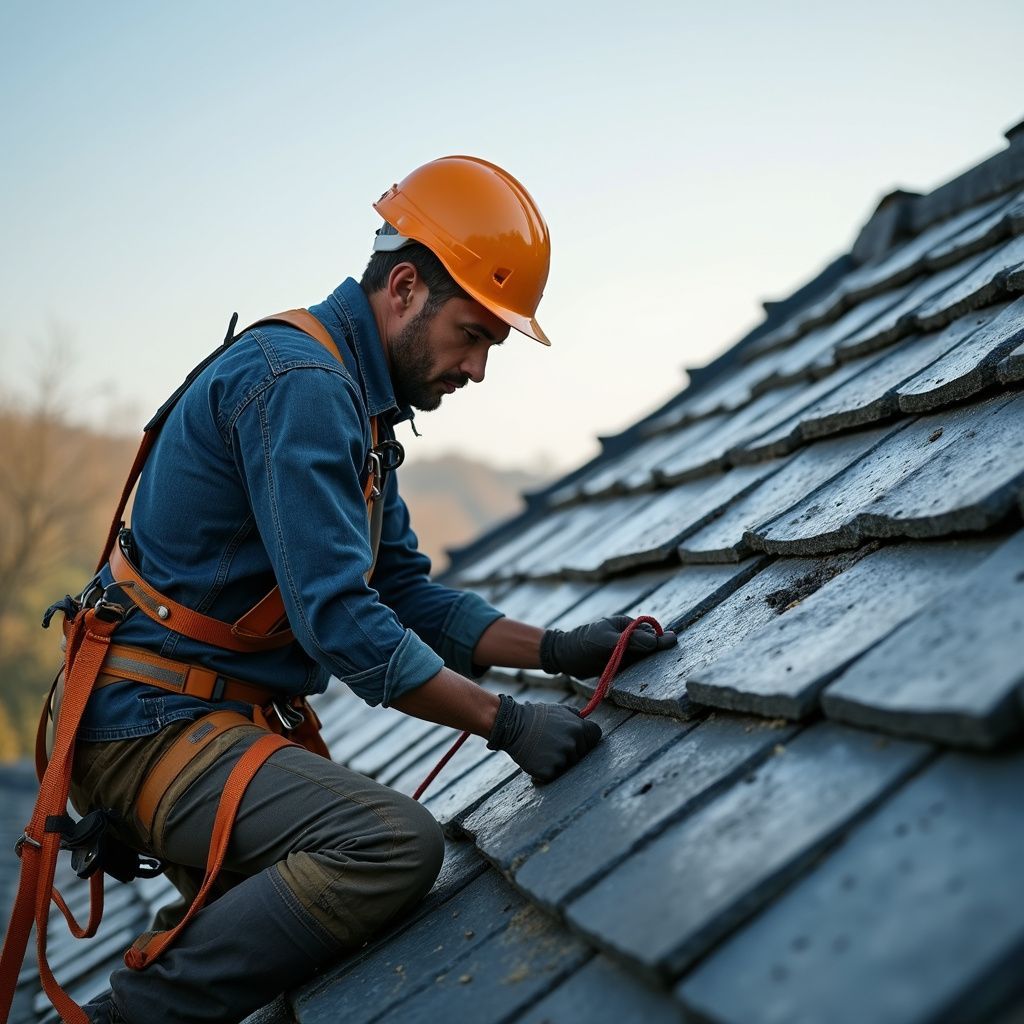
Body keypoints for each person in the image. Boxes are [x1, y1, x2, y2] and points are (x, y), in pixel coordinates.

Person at [58, 156, 675, 1023]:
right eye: (474, 334)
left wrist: (554, 650)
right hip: (148, 727)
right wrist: (503, 722)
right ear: (406, 286)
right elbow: (341, 621)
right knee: (386, 846)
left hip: (194, 719)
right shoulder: (303, 386)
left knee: (293, 914)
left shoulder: (356, 404)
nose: (479, 369)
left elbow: (405, 594)